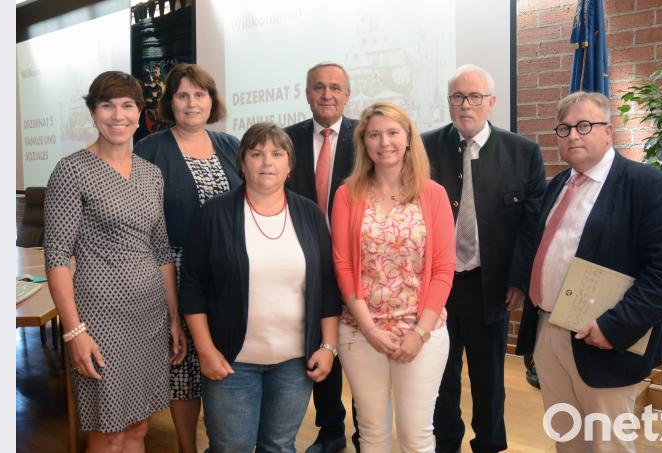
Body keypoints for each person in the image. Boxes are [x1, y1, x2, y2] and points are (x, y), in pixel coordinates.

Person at [516, 91, 662, 452]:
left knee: (608, 444)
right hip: (548, 331)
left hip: (605, 340)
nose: (573, 135)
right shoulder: (556, 186)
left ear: (608, 132)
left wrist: (614, 327)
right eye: (564, 128)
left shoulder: (648, 187)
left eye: (584, 125)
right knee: (567, 438)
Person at [43, 70, 186, 452]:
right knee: (107, 434)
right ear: (93, 112)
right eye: (107, 105)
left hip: (150, 318)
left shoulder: (151, 174)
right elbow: (56, 258)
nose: (118, 115)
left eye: (127, 105)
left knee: (138, 428)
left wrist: (174, 317)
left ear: (141, 112)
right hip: (99, 321)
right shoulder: (71, 171)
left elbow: (161, 251)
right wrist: (74, 333)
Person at [179, 122, 341, 453]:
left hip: (294, 363)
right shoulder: (215, 214)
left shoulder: (309, 215)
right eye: (256, 153)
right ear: (242, 163)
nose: (267, 162)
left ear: (289, 164)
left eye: (276, 154)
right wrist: (206, 351)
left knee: (279, 446)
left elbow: (326, 286)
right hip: (230, 362)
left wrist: (329, 347)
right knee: (231, 448)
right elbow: (193, 286)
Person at [422, 65, 547, 453]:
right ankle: (447, 444)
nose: (465, 105)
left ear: (491, 102)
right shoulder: (424, 147)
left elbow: (532, 225)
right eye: (457, 97)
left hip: (490, 287)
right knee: (440, 376)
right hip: (437, 287)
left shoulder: (522, 152)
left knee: (489, 379)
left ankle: (490, 445)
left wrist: (519, 280)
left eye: (474, 97)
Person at [331, 101, 456, 452]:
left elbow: (444, 269)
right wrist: (370, 329)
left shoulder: (433, 195)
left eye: (392, 133)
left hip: (422, 335)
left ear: (408, 138)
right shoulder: (347, 195)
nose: (383, 142)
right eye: (374, 134)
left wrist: (419, 332)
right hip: (361, 332)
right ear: (364, 143)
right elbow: (343, 266)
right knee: (372, 433)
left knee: (416, 436)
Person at [134, 62, 241, 453]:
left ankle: (224, 441)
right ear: (169, 103)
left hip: (229, 271)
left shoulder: (231, 145)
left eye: (200, 94)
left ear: (212, 101)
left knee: (224, 354)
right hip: (172, 268)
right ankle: (186, 447)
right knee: (183, 365)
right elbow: (144, 220)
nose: (192, 103)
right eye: (182, 95)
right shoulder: (149, 149)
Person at [284, 61, 358, 453]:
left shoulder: (368, 136)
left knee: (360, 352)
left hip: (361, 266)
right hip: (305, 265)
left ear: (347, 95)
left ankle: (367, 433)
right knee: (320, 346)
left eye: (335, 88)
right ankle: (331, 430)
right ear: (307, 92)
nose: (326, 95)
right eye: (318, 87)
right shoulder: (286, 139)